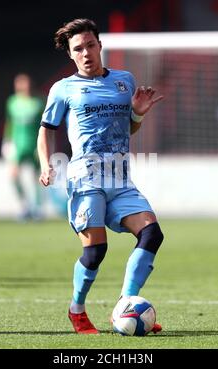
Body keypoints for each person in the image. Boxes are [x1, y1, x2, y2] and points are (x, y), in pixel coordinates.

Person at [37, 19, 164, 334]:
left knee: (152, 234)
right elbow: (45, 131)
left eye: (90, 45)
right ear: (70, 54)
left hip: (121, 181)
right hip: (86, 180)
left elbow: (130, 128)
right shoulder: (63, 88)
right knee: (95, 253)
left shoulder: (124, 81)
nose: (86, 53)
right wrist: (45, 164)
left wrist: (137, 113)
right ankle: (77, 309)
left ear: (100, 46)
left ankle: (126, 304)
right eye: (77, 49)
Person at [2, 73, 45, 221]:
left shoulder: (38, 102)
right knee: (13, 175)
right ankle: (24, 206)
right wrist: (7, 141)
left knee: (36, 177)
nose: (22, 86)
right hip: (17, 144)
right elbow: (9, 122)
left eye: (25, 83)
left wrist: (44, 145)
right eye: (19, 83)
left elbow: (44, 126)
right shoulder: (12, 102)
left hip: (34, 144)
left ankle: (37, 209)